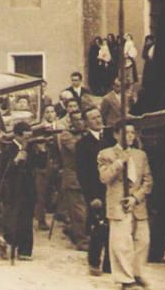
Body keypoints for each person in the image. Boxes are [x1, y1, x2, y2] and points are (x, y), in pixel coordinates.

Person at [98, 121, 153, 289]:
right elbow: (104, 177)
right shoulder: (106, 154)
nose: (129, 136)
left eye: (132, 132)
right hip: (118, 205)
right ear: (116, 134)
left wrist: (136, 198)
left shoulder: (140, 155)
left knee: (142, 241)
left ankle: (136, 273)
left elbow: (148, 181)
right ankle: (125, 279)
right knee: (121, 244)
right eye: (125, 132)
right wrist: (118, 163)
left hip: (137, 205)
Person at [0, 122, 45, 261]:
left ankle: (24, 251)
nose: (28, 140)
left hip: (28, 187)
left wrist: (42, 151)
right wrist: (16, 160)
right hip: (13, 188)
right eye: (25, 137)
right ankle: (6, 240)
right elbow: (3, 171)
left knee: (27, 219)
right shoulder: (8, 149)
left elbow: (41, 165)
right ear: (17, 135)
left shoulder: (32, 147)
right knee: (13, 219)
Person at [76, 107, 113, 275]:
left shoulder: (110, 139)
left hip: (112, 189)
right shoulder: (82, 144)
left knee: (113, 226)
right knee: (99, 227)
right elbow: (83, 173)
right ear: (86, 123)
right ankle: (94, 262)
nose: (98, 120)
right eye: (93, 118)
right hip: (96, 192)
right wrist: (92, 196)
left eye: (99, 116)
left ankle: (109, 264)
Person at [58, 110, 90, 251]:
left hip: (87, 177)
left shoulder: (85, 135)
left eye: (81, 119)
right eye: (75, 120)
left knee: (86, 211)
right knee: (79, 211)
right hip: (74, 177)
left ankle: (73, 230)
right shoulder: (66, 135)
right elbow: (79, 150)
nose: (79, 122)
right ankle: (81, 241)